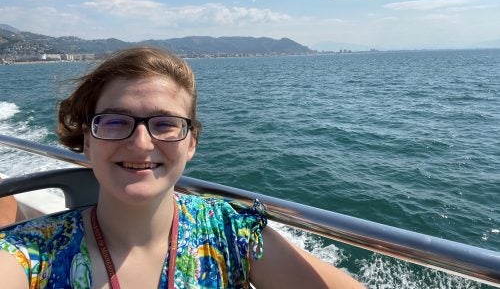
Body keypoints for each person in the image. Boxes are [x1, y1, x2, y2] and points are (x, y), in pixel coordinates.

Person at [0, 47, 364, 288]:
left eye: (165, 123)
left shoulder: (230, 234)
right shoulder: (30, 252)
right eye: (114, 121)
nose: (141, 143)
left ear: (191, 142)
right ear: (88, 141)